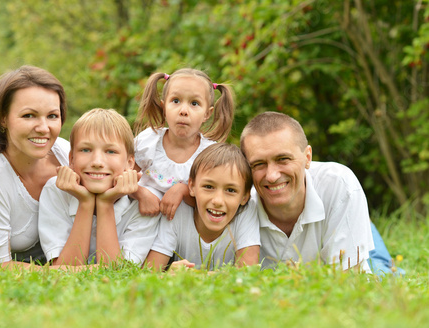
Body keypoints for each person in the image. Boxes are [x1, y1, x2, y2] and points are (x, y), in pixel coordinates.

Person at [240, 111, 378, 272]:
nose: (271, 176)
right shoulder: (238, 201)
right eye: (258, 164)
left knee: (383, 266)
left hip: (348, 227)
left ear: (308, 157)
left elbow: (348, 280)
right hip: (336, 228)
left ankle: (367, 226)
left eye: (283, 159)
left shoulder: (339, 184)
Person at [0, 65, 70, 268]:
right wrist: (70, 273)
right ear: (3, 117)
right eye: (29, 115)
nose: (43, 128)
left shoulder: (67, 153)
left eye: (52, 116)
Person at [38, 108, 159, 266]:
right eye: (86, 150)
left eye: (110, 151)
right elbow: (64, 270)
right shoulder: (55, 191)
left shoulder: (144, 204)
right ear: (72, 158)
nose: (97, 162)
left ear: (129, 163)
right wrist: (86, 203)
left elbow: (116, 274)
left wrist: (105, 203)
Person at [132, 68, 235, 221]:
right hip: (140, 223)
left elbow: (211, 200)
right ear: (164, 107)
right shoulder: (149, 141)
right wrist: (140, 193)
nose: (184, 111)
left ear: (207, 113)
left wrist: (183, 190)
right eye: (175, 101)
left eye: (194, 103)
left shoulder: (209, 154)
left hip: (180, 231)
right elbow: (122, 178)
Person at [144, 143, 261, 272]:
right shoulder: (178, 211)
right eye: (209, 187)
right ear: (192, 186)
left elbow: (249, 273)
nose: (218, 201)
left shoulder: (246, 212)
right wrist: (168, 274)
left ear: (245, 196)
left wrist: (194, 277)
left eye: (230, 190)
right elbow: (149, 273)